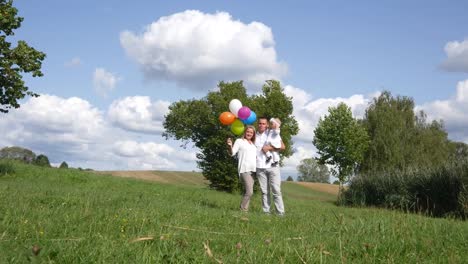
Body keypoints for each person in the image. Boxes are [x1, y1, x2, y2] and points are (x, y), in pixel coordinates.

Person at [255, 117, 285, 216]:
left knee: (276, 190)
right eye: (260, 123)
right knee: (264, 191)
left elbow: (283, 147)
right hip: (260, 166)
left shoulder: (272, 133)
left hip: (273, 166)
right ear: (257, 124)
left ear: (267, 125)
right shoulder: (254, 135)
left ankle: (280, 213)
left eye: (263, 123)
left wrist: (269, 148)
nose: (261, 125)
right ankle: (266, 213)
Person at [227, 125, 257, 212]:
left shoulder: (253, 145)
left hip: (253, 171)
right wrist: (229, 146)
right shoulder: (239, 141)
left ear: (253, 134)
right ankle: (242, 209)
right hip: (244, 169)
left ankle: (245, 211)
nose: (249, 134)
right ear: (245, 132)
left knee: (247, 192)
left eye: (251, 132)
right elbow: (232, 153)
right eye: (248, 132)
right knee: (250, 192)